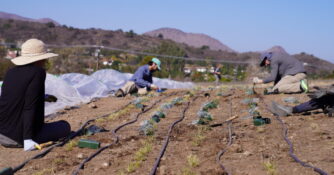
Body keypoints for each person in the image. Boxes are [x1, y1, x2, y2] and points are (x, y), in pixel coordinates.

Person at [0, 39, 71, 151]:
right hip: (18, 138)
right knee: (65, 126)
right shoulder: (38, 72)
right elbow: (29, 106)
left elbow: (14, 98)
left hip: (2, 134)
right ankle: (27, 139)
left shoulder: (10, 72)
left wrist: (42, 97)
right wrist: (27, 139)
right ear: (41, 58)